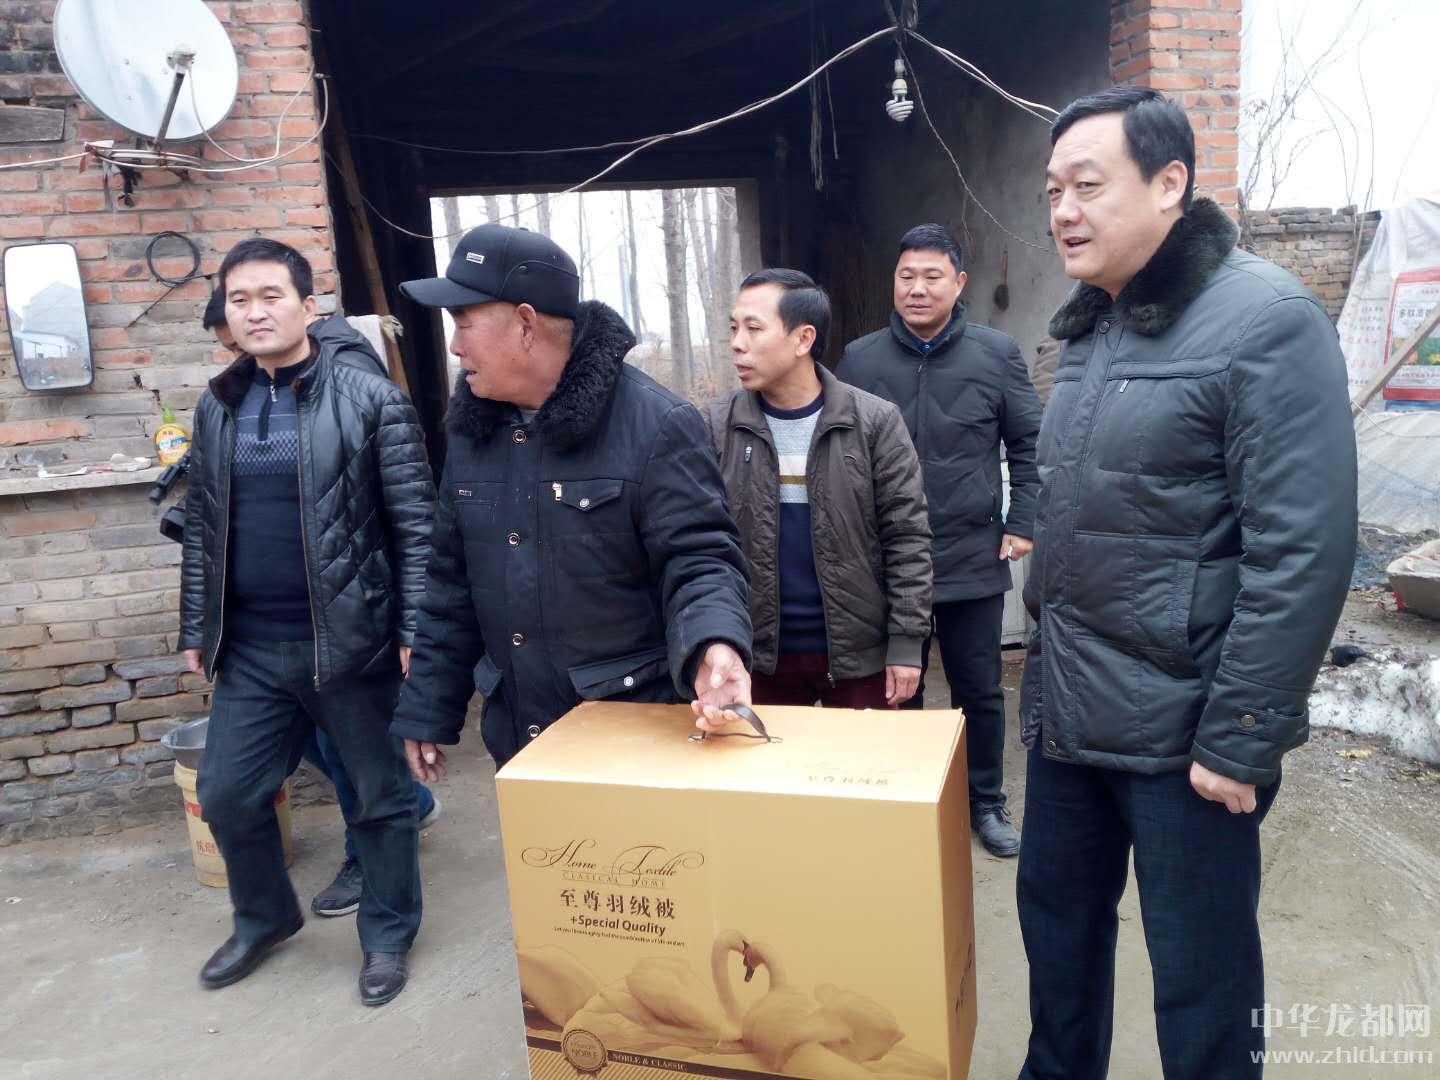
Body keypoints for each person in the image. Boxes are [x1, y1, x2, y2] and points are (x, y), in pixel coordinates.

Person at [1018, 86, 1357, 1079]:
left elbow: (1302, 549)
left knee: (1203, 981)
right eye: (1053, 191)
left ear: (1170, 183)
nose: (1063, 211)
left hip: (1186, 739)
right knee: (1058, 949)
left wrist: (1242, 734)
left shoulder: (1266, 319)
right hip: (1069, 718)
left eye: (1088, 186)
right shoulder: (1091, 328)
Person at [389, 223, 752, 775]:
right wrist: (426, 706)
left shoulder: (655, 424)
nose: (455, 346)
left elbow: (700, 559)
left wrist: (714, 642)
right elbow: (450, 583)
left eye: (463, 322)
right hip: (518, 732)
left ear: (525, 323)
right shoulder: (472, 432)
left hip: (627, 735)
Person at [180, 239, 435, 1006]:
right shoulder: (217, 405)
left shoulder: (370, 399)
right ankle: (264, 918)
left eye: (271, 296)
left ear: (308, 304)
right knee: (227, 793)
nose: (255, 312)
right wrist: (196, 625)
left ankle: (387, 935)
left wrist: (414, 631)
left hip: (352, 645)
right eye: (240, 300)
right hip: (251, 648)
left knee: (380, 799)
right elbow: (202, 526)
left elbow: (416, 526)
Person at [838, 224, 1042, 857]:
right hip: (884, 561)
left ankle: (985, 802)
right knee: (894, 687)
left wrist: (1022, 518)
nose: (918, 288)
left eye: (932, 276)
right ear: (893, 283)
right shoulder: (860, 361)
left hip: (969, 553)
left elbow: (1030, 444)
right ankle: (903, 797)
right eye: (907, 276)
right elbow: (836, 454)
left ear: (959, 284)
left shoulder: (996, 354)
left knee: (977, 689)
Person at [703, 269, 931, 708]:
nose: (737, 343)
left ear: (803, 338)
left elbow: (907, 538)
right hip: (756, 658)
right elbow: (702, 548)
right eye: (733, 328)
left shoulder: (874, 422)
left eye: (753, 328)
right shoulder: (714, 427)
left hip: (858, 655)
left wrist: (906, 642)